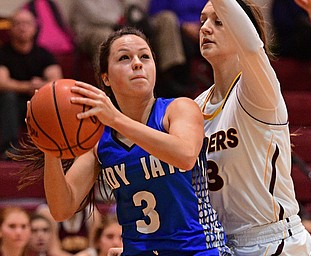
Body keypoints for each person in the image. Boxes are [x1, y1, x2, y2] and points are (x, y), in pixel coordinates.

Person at [16, 26, 231, 255]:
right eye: (124, 57)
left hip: (198, 249)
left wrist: (116, 119)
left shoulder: (178, 109)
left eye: (145, 56)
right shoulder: (100, 140)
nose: (137, 63)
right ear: (106, 78)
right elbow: (61, 208)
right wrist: (50, 145)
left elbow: (186, 155)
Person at [195, 0, 311, 255]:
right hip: (223, 243)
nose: (205, 28)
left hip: (274, 240)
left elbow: (251, 47)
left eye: (218, 21)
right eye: (202, 20)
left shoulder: (257, 89)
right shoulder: (195, 108)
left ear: (242, 29)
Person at [0, 9, 63, 159]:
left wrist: (39, 86)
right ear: (11, 29)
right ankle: (9, 149)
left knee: (51, 99)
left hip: (36, 104)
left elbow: (57, 81)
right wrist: (30, 86)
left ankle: (49, 149)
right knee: (8, 97)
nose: (22, 27)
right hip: (8, 107)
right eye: (18, 24)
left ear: (35, 28)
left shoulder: (44, 54)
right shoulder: (3, 53)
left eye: (27, 23)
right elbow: (2, 83)